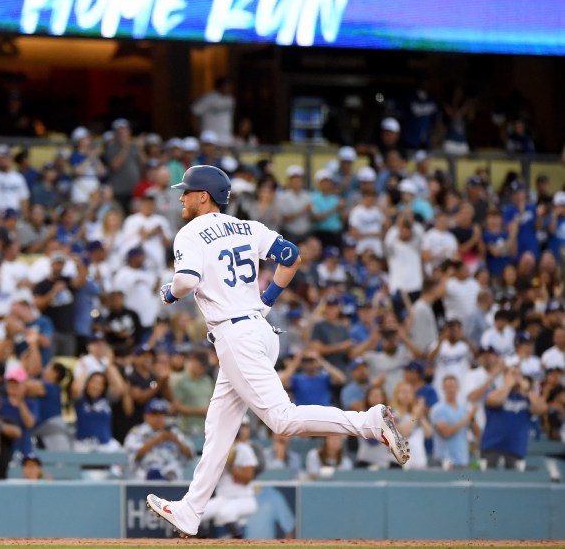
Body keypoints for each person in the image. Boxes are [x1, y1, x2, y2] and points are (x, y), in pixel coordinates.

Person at [147, 165, 408, 538]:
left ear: (203, 196)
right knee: (218, 428)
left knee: (283, 420)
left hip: (236, 335)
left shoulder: (190, 232)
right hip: (259, 331)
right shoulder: (249, 226)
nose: (181, 197)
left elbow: (187, 280)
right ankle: (190, 511)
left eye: (186, 192)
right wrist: (266, 301)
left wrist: (169, 293)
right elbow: (292, 256)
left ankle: (368, 423)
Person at [124, 398, 194, 481]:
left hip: (172, 476)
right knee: (153, 470)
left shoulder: (174, 432)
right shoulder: (137, 432)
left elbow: (191, 455)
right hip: (145, 478)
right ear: (146, 416)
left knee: (173, 471)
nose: (159, 418)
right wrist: (157, 440)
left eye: (162, 414)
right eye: (155, 414)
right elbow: (134, 454)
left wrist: (177, 442)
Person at [430, 375, 478, 469]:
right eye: (448, 387)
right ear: (443, 389)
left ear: (458, 388)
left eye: (453, 386)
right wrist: (468, 416)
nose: (451, 390)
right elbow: (446, 433)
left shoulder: (464, 410)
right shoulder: (438, 409)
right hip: (444, 461)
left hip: (462, 460)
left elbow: (478, 433)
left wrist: (472, 418)